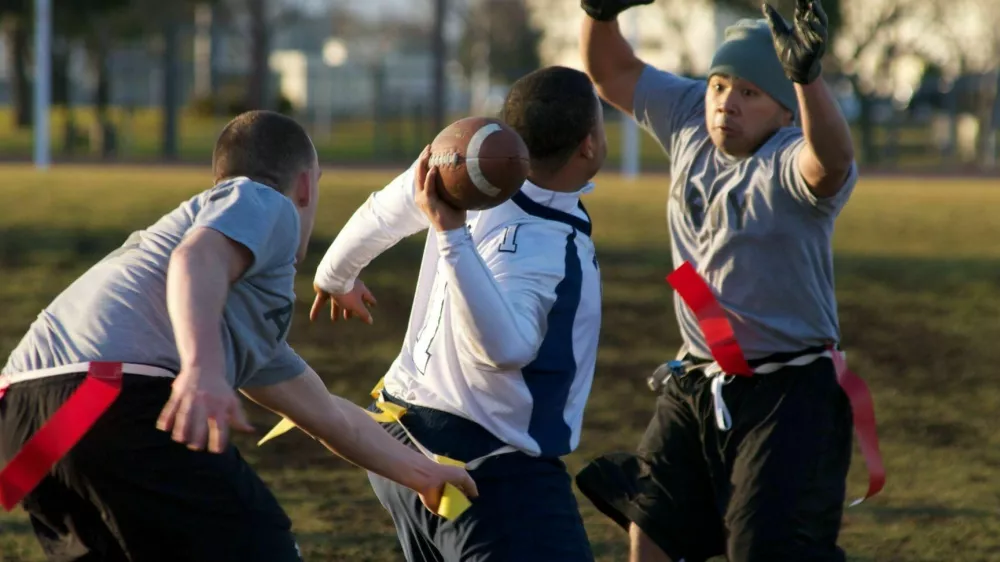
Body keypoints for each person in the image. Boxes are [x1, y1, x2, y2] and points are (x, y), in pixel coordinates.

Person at [0, 110, 476, 562]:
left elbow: (330, 417)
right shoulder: (264, 199)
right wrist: (202, 369)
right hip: (105, 395)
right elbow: (196, 258)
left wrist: (424, 474)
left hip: (25, 432)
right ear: (307, 185)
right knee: (262, 546)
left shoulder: (239, 319)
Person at [572, 1, 862, 561]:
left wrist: (807, 77)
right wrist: (598, 12)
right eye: (720, 85)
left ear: (785, 112)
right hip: (698, 378)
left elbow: (831, 161)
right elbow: (611, 73)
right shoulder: (688, 117)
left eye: (749, 93)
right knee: (651, 524)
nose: (727, 101)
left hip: (788, 391)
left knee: (762, 549)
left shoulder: (788, 159)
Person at [310, 66, 606, 561]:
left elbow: (383, 212)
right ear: (589, 145)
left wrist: (334, 276)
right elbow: (503, 349)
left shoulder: (461, 170)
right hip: (486, 467)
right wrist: (451, 237)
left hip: (398, 438)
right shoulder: (549, 247)